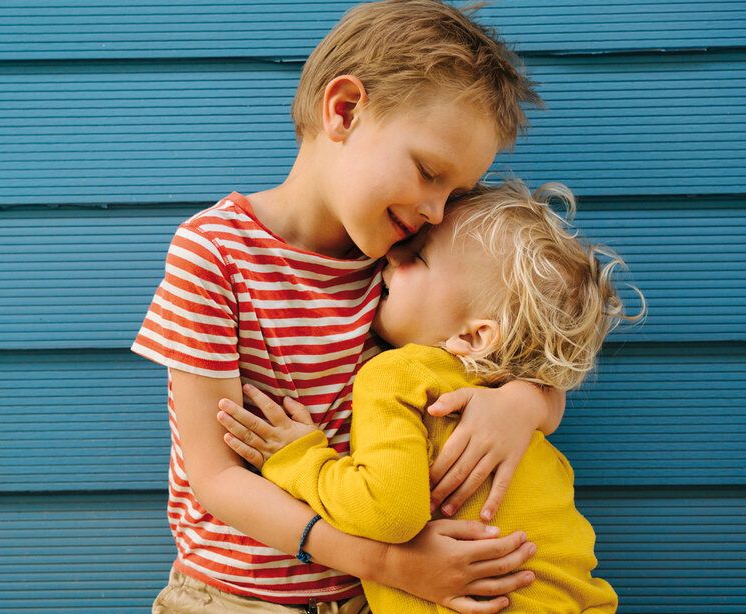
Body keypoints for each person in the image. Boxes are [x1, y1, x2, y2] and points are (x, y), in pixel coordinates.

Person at [131, 2, 562, 612]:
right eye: (429, 172)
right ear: (345, 111)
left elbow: (512, 355)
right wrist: (391, 563)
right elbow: (218, 478)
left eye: (456, 193)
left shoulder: (413, 267)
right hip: (236, 596)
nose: (437, 211)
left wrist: (524, 403)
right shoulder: (215, 253)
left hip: (375, 600)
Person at [218, 180, 645, 613]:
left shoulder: (397, 374)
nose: (392, 256)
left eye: (418, 256)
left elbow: (389, 514)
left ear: (473, 336)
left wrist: (298, 458)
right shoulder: (519, 407)